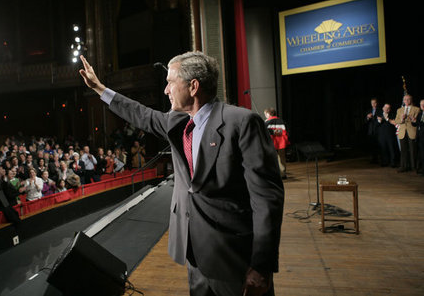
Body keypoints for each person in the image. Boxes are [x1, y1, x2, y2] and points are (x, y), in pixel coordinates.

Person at [80, 52, 284, 296]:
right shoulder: (178, 122)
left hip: (234, 257)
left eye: (170, 82)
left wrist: (261, 265)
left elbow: (266, 199)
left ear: (193, 86)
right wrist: (100, 88)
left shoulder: (242, 122)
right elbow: (140, 114)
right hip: (195, 253)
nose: (166, 90)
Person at [395, 95, 420, 172]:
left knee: (413, 150)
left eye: (408, 99)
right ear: (403, 101)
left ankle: (414, 167)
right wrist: (402, 119)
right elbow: (396, 121)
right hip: (402, 132)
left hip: (412, 131)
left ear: (411, 100)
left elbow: (416, 120)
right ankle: (404, 166)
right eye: (405, 99)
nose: (406, 100)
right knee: (403, 150)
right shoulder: (399, 110)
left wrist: (412, 119)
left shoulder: (416, 109)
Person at [264, 108, 290, 179]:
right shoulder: (282, 121)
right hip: (282, 143)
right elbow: (287, 132)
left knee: (272, 159)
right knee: (282, 158)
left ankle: (274, 174)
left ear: (269, 114)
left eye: (265, 114)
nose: (265, 116)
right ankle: (283, 174)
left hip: (272, 143)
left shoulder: (266, 123)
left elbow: (264, 133)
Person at [376, 104, 398, 168]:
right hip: (382, 136)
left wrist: (387, 119)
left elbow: (394, 123)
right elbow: (375, 125)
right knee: (383, 149)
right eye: (385, 107)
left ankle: (393, 163)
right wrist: (379, 121)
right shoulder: (378, 115)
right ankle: (384, 162)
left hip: (390, 135)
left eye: (388, 108)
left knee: (392, 149)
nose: (386, 109)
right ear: (383, 108)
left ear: (390, 109)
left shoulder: (392, 115)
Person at [365, 98, 381, 163]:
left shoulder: (380, 110)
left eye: (375, 103)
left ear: (377, 103)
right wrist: (368, 117)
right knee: (372, 145)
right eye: (372, 103)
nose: (373, 104)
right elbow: (365, 121)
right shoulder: (369, 111)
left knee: (379, 145)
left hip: (378, 130)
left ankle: (380, 159)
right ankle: (374, 159)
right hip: (371, 131)